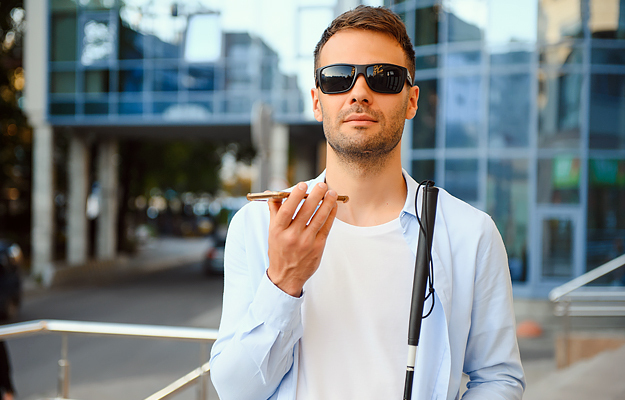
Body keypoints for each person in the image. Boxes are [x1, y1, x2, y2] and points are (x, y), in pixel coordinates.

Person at [210, 5, 525, 400]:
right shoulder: (258, 226)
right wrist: (285, 281)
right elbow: (235, 390)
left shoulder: (469, 233)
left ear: (411, 101)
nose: (359, 92)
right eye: (338, 78)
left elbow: (498, 378)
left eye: (384, 78)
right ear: (316, 100)